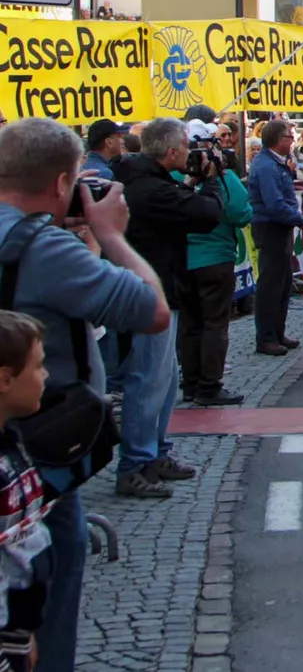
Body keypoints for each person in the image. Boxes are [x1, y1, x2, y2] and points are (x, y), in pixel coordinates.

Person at [0, 119, 170, 672]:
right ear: (60, 183)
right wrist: (111, 235)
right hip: (37, 454)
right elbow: (152, 311)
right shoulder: (43, 249)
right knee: (46, 587)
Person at [112, 118, 223, 499]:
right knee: (148, 380)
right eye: (186, 148)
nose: (190, 154)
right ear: (172, 151)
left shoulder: (142, 180)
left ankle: (154, 452)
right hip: (150, 292)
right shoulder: (150, 189)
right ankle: (135, 464)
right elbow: (207, 215)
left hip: (159, 288)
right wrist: (211, 182)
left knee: (164, 379)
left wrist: (191, 184)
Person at [179, 135, 251, 406]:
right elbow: (241, 213)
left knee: (190, 324)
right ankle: (209, 386)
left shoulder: (175, 176)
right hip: (215, 259)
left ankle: (190, 383)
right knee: (214, 324)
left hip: (183, 259)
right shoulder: (223, 178)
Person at [0, 311, 52, 672]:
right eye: (38, 366)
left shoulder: (12, 439)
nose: (46, 375)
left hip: (17, 624)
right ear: (5, 379)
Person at [247, 121, 303, 358]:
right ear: (278, 140)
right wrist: (297, 217)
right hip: (270, 226)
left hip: (280, 227)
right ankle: (267, 338)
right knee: (271, 285)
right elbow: (274, 203)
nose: (292, 141)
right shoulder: (266, 166)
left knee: (282, 283)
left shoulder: (276, 163)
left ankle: (277, 332)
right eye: (289, 137)